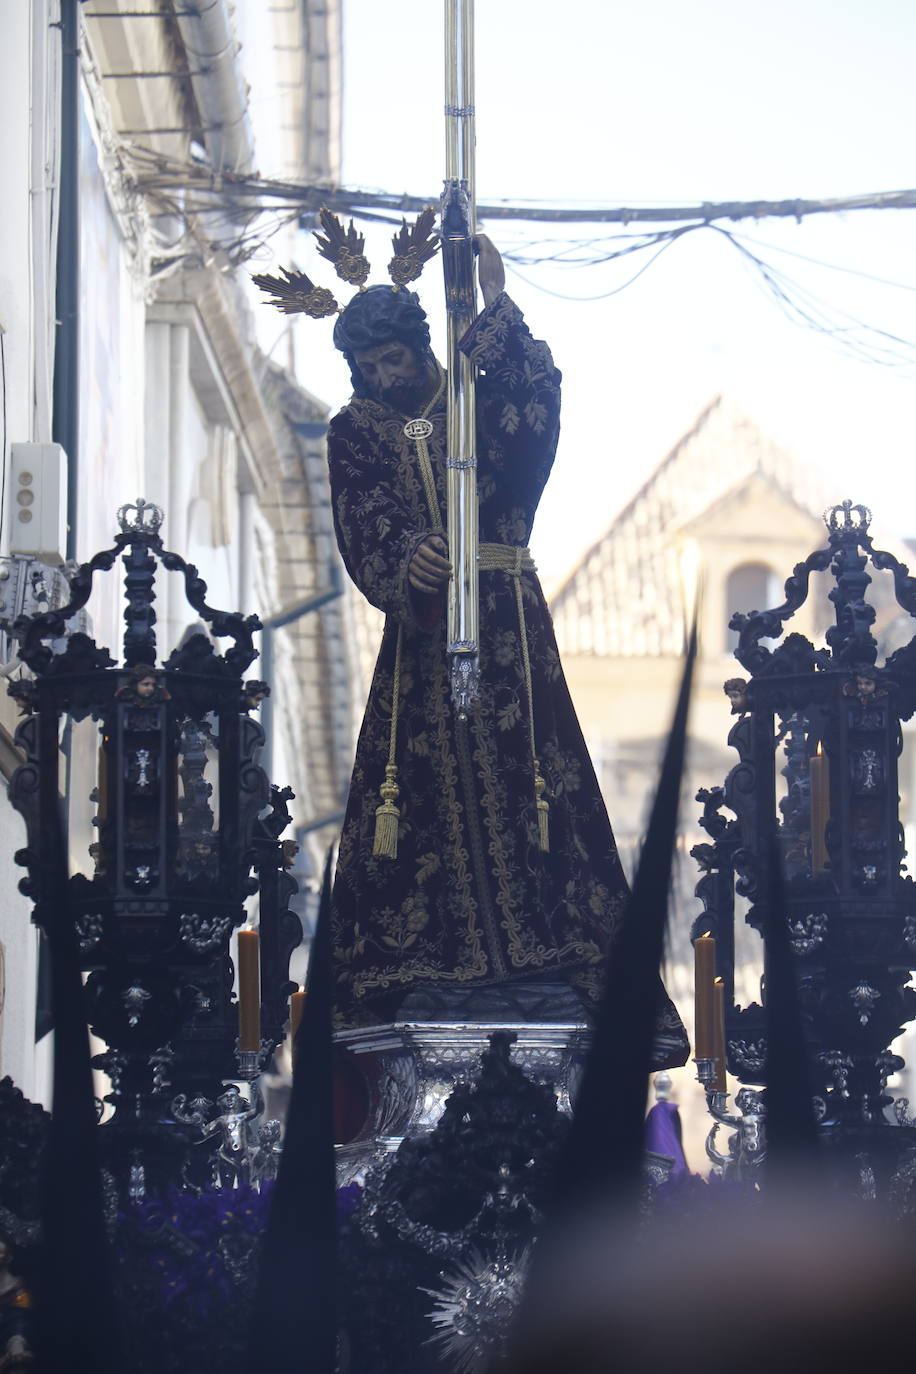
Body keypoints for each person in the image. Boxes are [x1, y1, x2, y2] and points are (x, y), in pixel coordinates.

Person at [324, 233, 687, 1064]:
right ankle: (438, 964)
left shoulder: (475, 397)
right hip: (422, 639)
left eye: (394, 358)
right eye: (370, 366)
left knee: (533, 779)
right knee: (417, 792)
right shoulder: (355, 430)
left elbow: (533, 427)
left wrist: (492, 308)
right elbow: (362, 521)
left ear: (419, 346)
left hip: (508, 622)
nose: (385, 376)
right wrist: (404, 555)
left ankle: (546, 955)